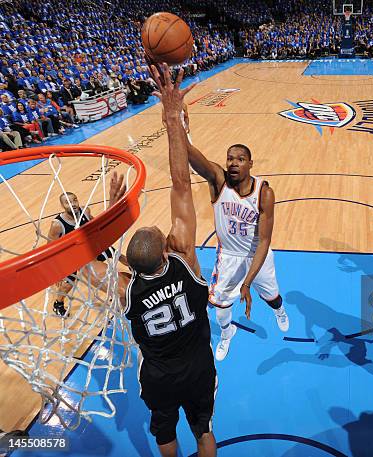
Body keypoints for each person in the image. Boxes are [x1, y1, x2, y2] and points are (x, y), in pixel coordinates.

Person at [94, 64, 217, 457]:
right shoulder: (186, 263)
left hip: (160, 378)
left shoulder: (126, 288)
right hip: (200, 367)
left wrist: (107, 214)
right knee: (205, 433)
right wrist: (170, 117)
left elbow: (87, 264)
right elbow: (182, 183)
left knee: (165, 436)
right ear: (167, 251)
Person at [186, 117, 290, 362]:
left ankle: (281, 312)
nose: (233, 163)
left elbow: (264, 241)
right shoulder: (218, 181)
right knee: (221, 304)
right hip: (229, 256)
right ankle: (226, 333)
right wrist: (180, 126)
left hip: (258, 256)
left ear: (251, 164)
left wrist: (247, 283)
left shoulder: (264, 192)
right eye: (230, 158)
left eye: (240, 159)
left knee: (272, 296)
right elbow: (191, 156)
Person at [47, 191, 126, 317]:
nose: (72, 204)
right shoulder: (57, 224)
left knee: (119, 256)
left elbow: (95, 224)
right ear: (62, 205)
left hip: (90, 247)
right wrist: (58, 271)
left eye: (75, 200)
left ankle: (134, 277)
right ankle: (58, 304)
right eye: (68, 202)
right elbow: (50, 247)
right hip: (71, 255)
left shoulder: (86, 212)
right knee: (68, 284)